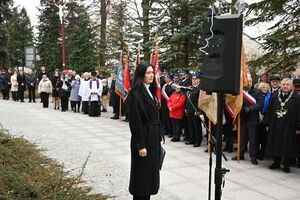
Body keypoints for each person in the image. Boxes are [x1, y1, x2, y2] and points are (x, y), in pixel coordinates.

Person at [128, 63, 162, 200]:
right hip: (144, 139)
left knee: (149, 176)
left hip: (153, 138)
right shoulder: (135, 94)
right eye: (148, 73)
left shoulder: (151, 91)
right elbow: (135, 123)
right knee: (142, 178)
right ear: (141, 75)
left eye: (152, 72)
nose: (151, 75)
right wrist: (140, 145)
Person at [265, 78, 300, 173]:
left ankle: (286, 164)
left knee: (287, 144)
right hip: (275, 124)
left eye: (287, 85)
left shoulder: (297, 98)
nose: (285, 86)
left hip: (289, 126)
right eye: (283, 84)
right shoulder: (275, 96)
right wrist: (267, 123)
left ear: (292, 86)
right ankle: (276, 162)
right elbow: (269, 110)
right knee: (275, 142)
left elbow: (299, 114)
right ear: (281, 85)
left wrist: (298, 127)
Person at [232, 75, 264, 165]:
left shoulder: (257, 92)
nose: (248, 83)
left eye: (250, 81)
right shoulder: (240, 91)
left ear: (252, 81)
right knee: (241, 138)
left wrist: (250, 109)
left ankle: (253, 157)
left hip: (253, 119)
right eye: (247, 81)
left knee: (253, 139)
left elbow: (260, 104)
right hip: (242, 118)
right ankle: (240, 154)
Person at [185, 72, 203, 147]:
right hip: (189, 109)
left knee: (197, 126)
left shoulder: (200, 88)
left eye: (195, 79)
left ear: (199, 80)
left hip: (195, 110)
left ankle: (198, 140)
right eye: (192, 78)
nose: (193, 80)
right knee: (191, 125)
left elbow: (200, 100)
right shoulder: (191, 87)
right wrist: (186, 108)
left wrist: (199, 111)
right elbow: (187, 99)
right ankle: (192, 139)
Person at [257, 82, 271, 160]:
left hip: (266, 117)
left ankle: (262, 154)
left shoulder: (270, 96)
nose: (265, 89)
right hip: (258, 116)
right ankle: (257, 152)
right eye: (263, 87)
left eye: (266, 87)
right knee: (257, 137)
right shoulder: (257, 95)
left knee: (264, 138)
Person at [161, 72, 175, 137]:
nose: (165, 79)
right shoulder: (165, 85)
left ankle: (171, 131)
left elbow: (172, 95)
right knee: (165, 117)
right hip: (164, 104)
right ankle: (166, 130)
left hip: (170, 103)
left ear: (170, 78)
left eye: (166, 78)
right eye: (165, 78)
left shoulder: (173, 85)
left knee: (169, 118)